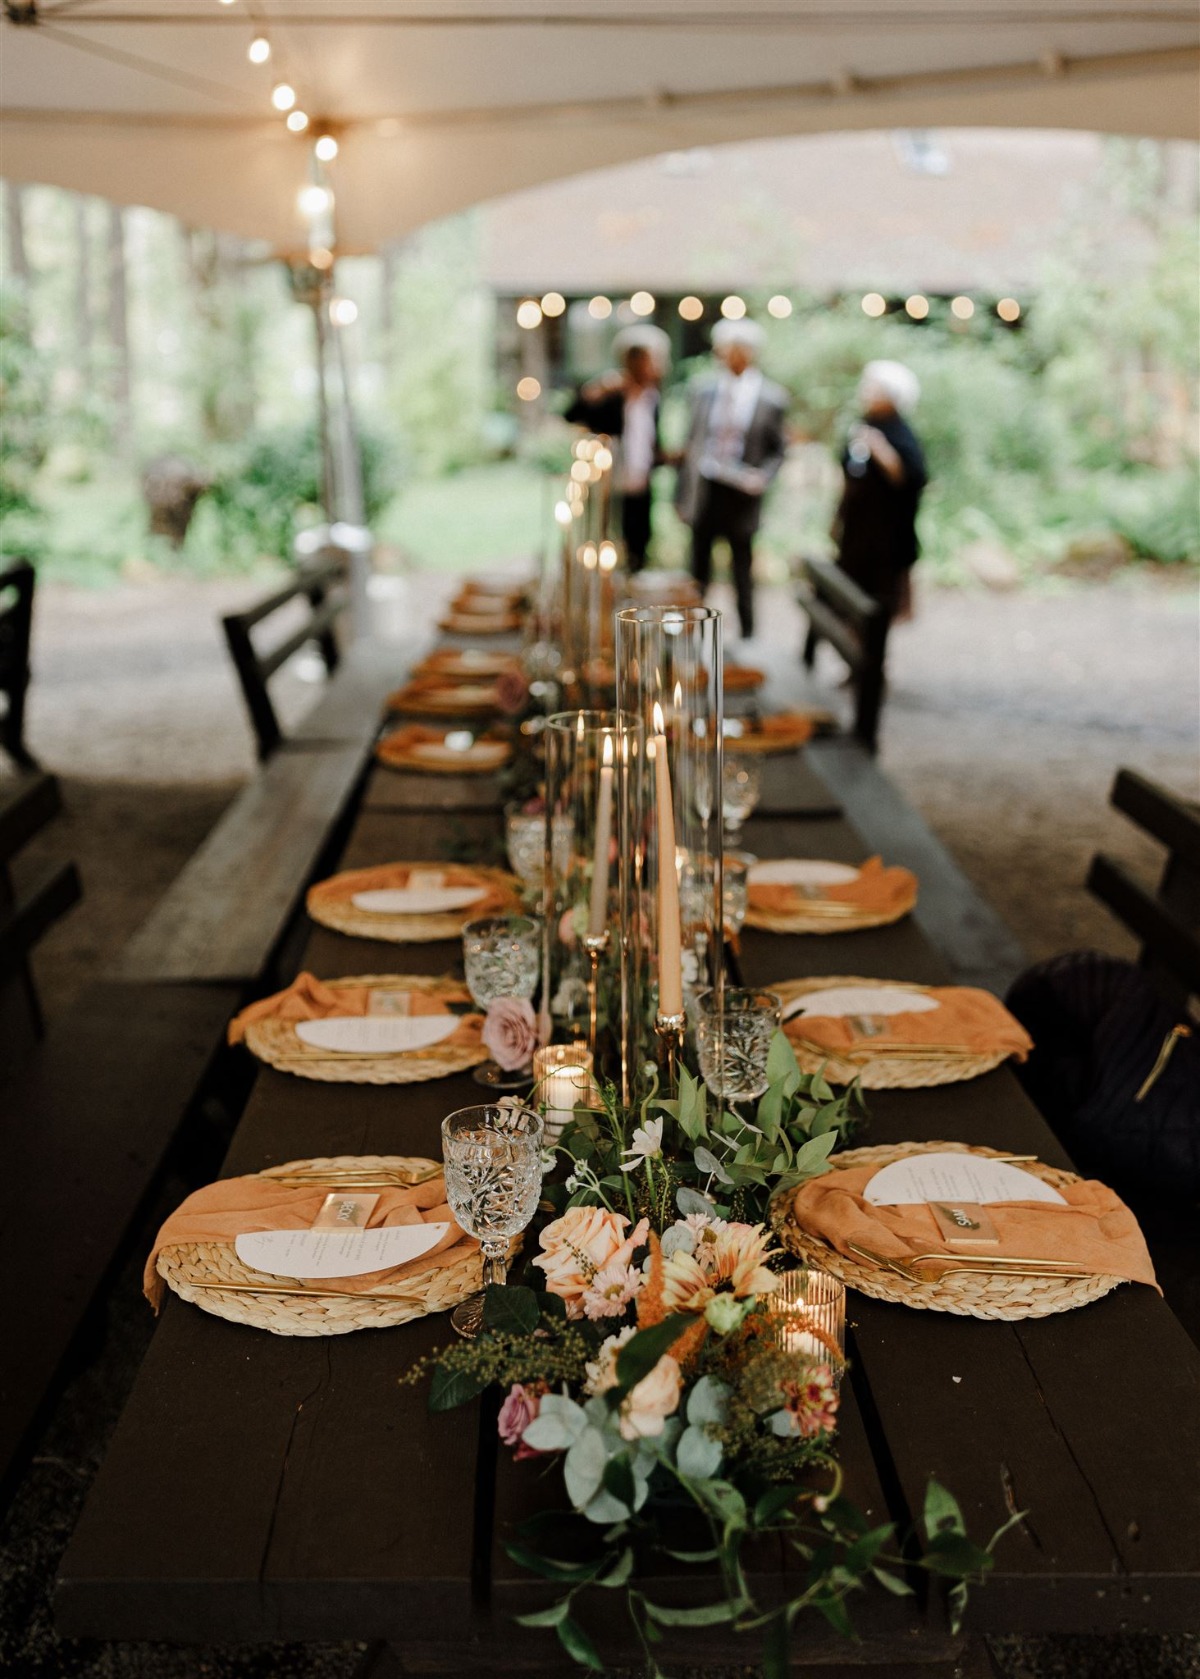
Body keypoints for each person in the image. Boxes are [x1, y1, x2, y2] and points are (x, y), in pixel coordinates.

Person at [674, 318, 788, 645]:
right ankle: (692, 628)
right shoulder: (702, 390)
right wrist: (681, 495)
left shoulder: (771, 397)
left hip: (742, 494)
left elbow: (778, 450)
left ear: (750, 353)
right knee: (698, 565)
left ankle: (749, 634)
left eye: (736, 350)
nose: (729, 356)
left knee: (742, 567)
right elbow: (690, 444)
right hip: (706, 488)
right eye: (724, 350)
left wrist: (762, 476)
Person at [564, 325, 670, 572]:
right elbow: (572, 414)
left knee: (639, 542)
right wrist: (594, 391)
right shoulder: (611, 393)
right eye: (648, 360)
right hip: (609, 485)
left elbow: (650, 441)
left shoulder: (652, 398)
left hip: (640, 484)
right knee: (604, 543)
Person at [833, 360, 928, 618]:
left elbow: (912, 478)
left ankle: (872, 653)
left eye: (872, 387)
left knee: (879, 600)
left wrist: (880, 450)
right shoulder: (864, 425)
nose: (864, 392)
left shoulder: (900, 434)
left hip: (885, 537)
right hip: (856, 529)